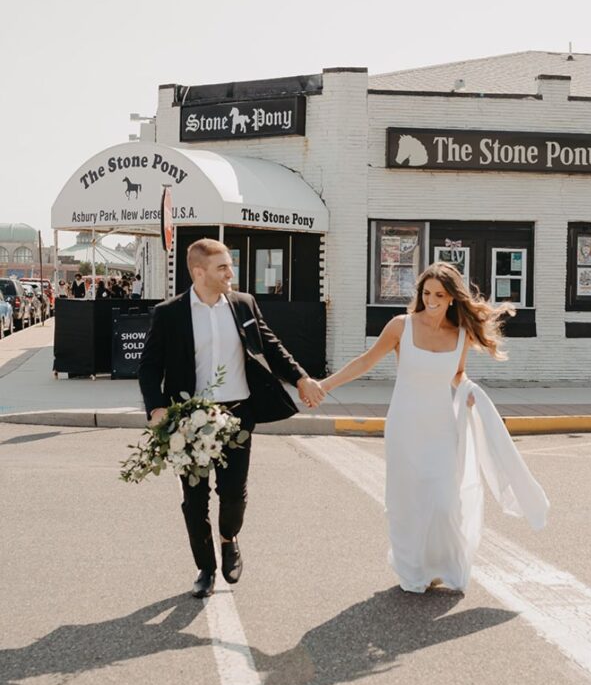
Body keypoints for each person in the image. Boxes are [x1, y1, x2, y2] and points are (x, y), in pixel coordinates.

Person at [321, 262, 549, 593]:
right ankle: (413, 568)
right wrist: (325, 386)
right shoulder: (401, 327)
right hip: (406, 425)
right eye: (426, 293)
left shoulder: (460, 335)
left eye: (439, 295)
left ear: (452, 298)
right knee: (408, 501)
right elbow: (366, 361)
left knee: (444, 501)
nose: (431, 300)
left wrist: (468, 391)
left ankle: (442, 564)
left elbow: (457, 374)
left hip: (442, 425)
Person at [138, 238, 326, 599]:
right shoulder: (170, 313)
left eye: (229, 265)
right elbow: (149, 367)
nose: (231, 272)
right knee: (194, 499)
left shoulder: (243, 304)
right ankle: (205, 568)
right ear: (198, 272)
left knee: (234, 494)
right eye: (223, 267)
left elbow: (271, 345)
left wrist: (301, 378)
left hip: (238, 414)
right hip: (188, 418)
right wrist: (157, 408)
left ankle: (229, 537)